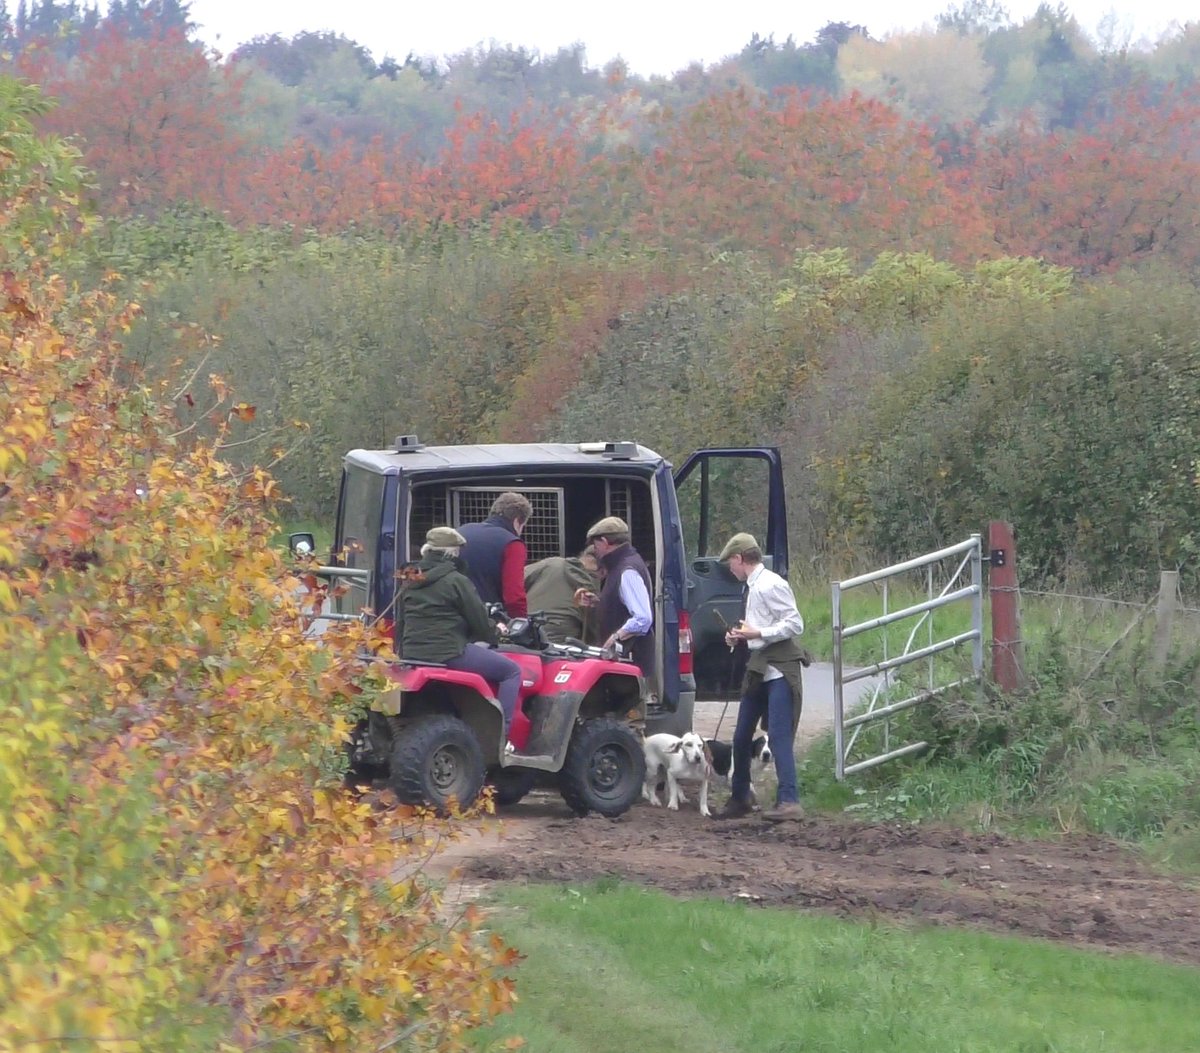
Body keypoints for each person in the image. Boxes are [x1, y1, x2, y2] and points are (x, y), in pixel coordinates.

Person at [713, 532, 808, 822]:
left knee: (779, 736)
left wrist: (757, 633)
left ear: (740, 558)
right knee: (741, 736)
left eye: (731, 562)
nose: (730, 568)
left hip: (779, 668)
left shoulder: (770, 584)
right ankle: (740, 797)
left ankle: (790, 801)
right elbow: (760, 626)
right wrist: (739, 636)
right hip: (759, 667)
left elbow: (795, 623)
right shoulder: (751, 587)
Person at [397, 526, 523, 742]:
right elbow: (480, 622)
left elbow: (402, 620)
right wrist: (497, 632)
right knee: (511, 672)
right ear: (452, 553)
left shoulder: (410, 579)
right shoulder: (457, 581)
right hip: (448, 652)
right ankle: (504, 736)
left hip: (412, 652)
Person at [580, 516, 655, 682]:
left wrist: (616, 636)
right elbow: (624, 605)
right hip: (625, 663)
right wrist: (600, 602)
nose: (595, 549)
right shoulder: (624, 564)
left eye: (595, 544)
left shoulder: (626, 570)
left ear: (605, 542)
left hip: (629, 662)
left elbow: (643, 618)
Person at [459, 492, 533, 618]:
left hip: (449, 616)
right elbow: (514, 596)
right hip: (485, 620)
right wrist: (520, 621)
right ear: (517, 522)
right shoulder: (512, 544)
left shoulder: (460, 532)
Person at [523, 544, 602, 644]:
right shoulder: (592, 583)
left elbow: (516, 581)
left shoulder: (552, 563)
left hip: (528, 626)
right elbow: (592, 625)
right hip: (563, 637)